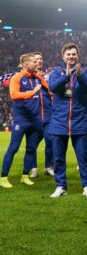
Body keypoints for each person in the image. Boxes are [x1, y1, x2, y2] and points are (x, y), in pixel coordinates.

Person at [48, 43, 87, 198]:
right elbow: (53, 87)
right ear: (63, 56)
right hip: (59, 121)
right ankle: (60, 186)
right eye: (68, 54)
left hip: (79, 121)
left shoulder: (85, 71)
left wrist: (79, 75)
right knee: (58, 158)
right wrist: (66, 76)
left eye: (74, 54)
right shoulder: (56, 71)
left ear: (78, 55)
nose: (71, 57)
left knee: (83, 156)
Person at [0, 53, 46, 188]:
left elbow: (49, 88)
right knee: (13, 148)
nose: (37, 63)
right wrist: (32, 92)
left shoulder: (37, 77)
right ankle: (3, 178)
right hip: (21, 119)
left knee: (31, 149)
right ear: (26, 64)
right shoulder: (17, 78)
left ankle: (25, 176)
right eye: (33, 61)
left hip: (35, 119)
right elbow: (14, 95)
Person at [29, 52, 54, 178]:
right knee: (32, 144)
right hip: (34, 116)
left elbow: (53, 90)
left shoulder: (49, 76)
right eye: (36, 59)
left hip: (48, 115)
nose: (39, 61)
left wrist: (43, 78)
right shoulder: (28, 77)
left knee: (50, 141)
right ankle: (33, 168)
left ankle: (48, 166)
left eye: (40, 58)